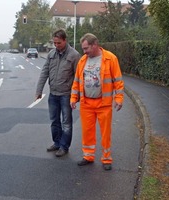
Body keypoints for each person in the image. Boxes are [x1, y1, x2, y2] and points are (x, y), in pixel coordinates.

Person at [70, 33, 124, 170]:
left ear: (95, 45)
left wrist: (118, 98)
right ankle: (88, 156)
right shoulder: (83, 61)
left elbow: (118, 81)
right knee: (87, 132)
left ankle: (106, 159)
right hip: (86, 104)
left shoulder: (110, 58)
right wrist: (73, 98)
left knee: (105, 133)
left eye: (86, 48)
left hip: (103, 104)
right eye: (83, 49)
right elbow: (76, 81)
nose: (84, 51)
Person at [35, 29, 81, 157]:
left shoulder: (74, 55)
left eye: (59, 43)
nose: (56, 46)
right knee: (54, 120)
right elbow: (44, 72)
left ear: (65, 40)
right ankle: (57, 142)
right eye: (54, 43)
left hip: (66, 95)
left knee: (66, 122)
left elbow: (79, 77)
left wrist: (77, 96)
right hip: (53, 94)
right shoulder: (51, 54)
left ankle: (64, 146)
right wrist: (39, 91)